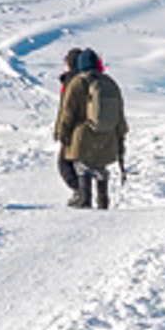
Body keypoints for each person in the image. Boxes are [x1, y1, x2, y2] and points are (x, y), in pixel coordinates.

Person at [55, 46, 127, 209]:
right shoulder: (110, 83)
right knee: (100, 168)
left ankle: (84, 201)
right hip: (107, 136)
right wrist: (120, 136)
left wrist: (63, 134)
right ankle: (103, 202)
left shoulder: (77, 83)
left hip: (83, 136)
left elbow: (68, 113)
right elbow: (120, 114)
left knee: (83, 168)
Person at [53, 47, 84, 200]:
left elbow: (65, 109)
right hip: (88, 129)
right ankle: (84, 192)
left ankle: (80, 192)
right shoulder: (89, 79)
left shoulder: (70, 80)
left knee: (64, 164)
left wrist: (61, 130)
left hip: (72, 129)